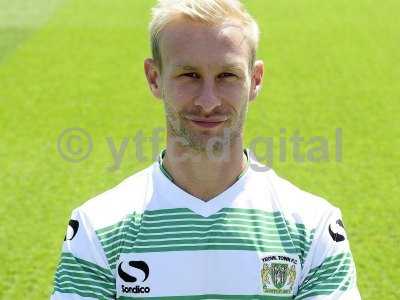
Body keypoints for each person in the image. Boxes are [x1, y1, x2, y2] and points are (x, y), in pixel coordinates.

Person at [51, 0, 361, 299]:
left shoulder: (313, 228)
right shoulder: (97, 228)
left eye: (227, 75)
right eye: (189, 75)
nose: (208, 101)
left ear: (255, 80)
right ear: (154, 78)